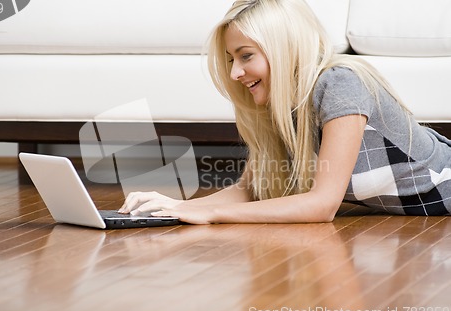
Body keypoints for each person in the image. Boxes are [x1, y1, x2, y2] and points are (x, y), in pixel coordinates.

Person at [118, 0, 451, 224]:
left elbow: (323, 204)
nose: (234, 73)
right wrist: (173, 208)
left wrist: (212, 214)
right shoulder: (281, 104)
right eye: (231, 58)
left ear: (283, 48)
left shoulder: (339, 83)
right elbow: (250, 189)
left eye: (245, 56)